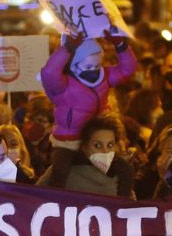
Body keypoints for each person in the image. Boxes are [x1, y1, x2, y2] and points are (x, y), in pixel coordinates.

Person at [39, 31, 137, 189]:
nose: (94, 70)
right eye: (88, 66)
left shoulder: (104, 77)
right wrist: (67, 49)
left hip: (97, 137)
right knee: (60, 172)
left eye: (96, 65)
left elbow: (128, 69)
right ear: (73, 65)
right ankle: (57, 204)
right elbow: (49, 73)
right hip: (68, 140)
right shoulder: (63, 85)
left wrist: (120, 45)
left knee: (124, 169)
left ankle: (125, 202)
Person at [37, 114, 134, 198]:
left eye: (109, 145)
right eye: (97, 145)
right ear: (84, 146)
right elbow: (34, 198)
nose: (105, 151)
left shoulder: (122, 174)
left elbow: (130, 209)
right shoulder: (62, 170)